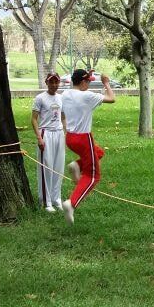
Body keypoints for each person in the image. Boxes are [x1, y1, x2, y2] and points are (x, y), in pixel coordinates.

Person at [60, 68, 115, 224]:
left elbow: (62, 115)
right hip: (84, 139)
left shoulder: (65, 94)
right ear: (83, 82)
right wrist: (106, 83)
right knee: (93, 176)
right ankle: (71, 203)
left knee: (99, 153)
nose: (89, 85)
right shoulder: (86, 96)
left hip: (70, 138)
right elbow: (111, 98)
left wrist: (66, 130)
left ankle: (77, 165)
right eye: (88, 82)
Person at [32, 73, 67, 213]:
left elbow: (63, 117)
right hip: (46, 133)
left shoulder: (61, 98)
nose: (54, 85)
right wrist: (39, 138)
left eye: (56, 82)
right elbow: (34, 119)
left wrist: (66, 132)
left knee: (58, 167)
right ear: (47, 82)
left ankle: (56, 198)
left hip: (59, 133)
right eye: (51, 82)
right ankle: (46, 201)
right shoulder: (40, 98)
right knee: (46, 167)